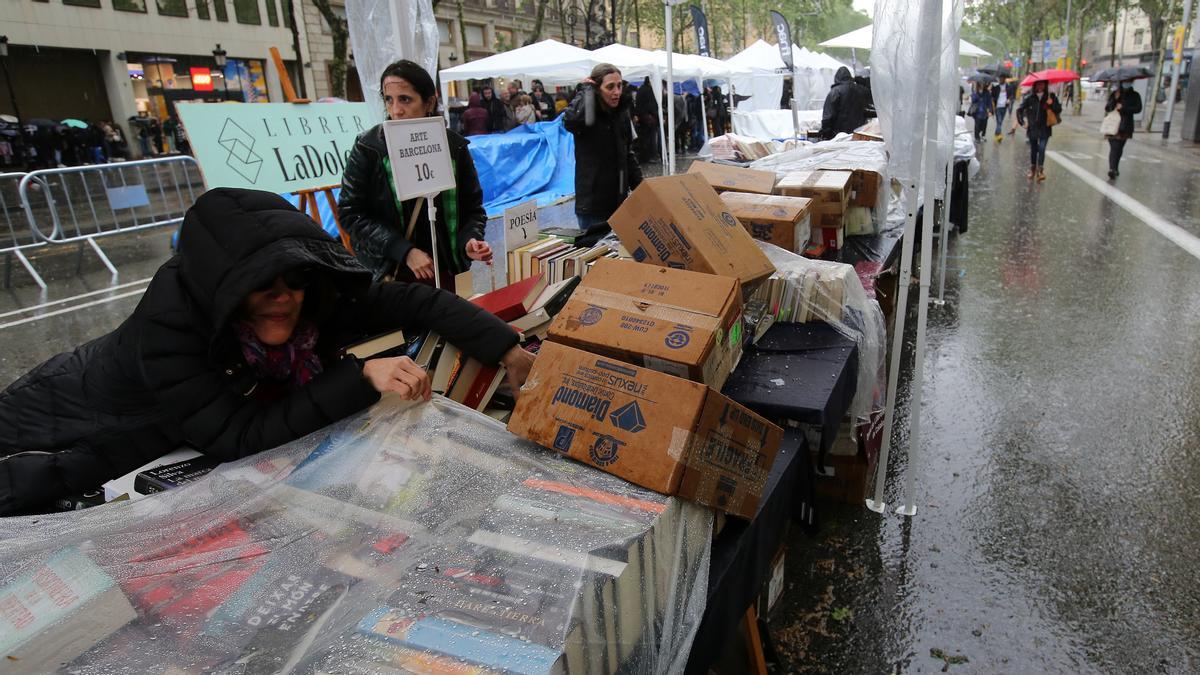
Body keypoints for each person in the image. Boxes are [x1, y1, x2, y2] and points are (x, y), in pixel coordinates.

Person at [0, 188, 534, 516]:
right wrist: (359, 376)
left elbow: (411, 300)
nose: (284, 298)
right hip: (57, 434)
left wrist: (506, 348)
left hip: (167, 442)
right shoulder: (171, 331)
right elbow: (238, 435)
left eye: (295, 278)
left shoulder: (311, 301)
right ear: (221, 290)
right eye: (260, 285)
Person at [339, 60, 492, 290]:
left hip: (447, 273)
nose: (396, 110)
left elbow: (472, 208)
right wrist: (404, 251)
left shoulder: (454, 147)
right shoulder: (368, 148)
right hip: (395, 275)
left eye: (405, 99)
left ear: (429, 102)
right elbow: (351, 214)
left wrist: (469, 241)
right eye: (388, 99)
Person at [563, 63, 642, 229]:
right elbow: (571, 120)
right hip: (593, 207)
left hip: (619, 203)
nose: (617, 92)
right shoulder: (588, 115)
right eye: (610, 87)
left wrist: (642, 189)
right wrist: (587, 90)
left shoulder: (621, 114)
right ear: (597, 88)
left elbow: (627, 154)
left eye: (619, 86)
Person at [1016, 80, 1062, 182]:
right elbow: (1019, 110)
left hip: (1045, 127)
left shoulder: (1051, 97)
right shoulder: (1030, 98)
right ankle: (1032, 169)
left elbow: (1058, 110)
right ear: (1035, 85)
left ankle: (1040, 171)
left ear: (1045, 85)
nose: (1040, 86)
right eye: (1038, 84)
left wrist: (1051, 104)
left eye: (1042, 84)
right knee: (1034, 149)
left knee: (1042, 148)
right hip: (1033, 128)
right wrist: (1022, 122)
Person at [1104, 80, 1142, 179]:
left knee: (1119, 148)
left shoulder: (1135, 95)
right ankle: (1112, 169)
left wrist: (1124, 108)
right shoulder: (1115, 94)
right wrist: (1114, 100)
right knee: (1114, 147)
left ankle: (1115, 168)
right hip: (1112, 124)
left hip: (1125, 125)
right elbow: (1107, 108)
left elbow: (1138, 108)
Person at [819, 67, 868, 140]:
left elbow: (828, 116)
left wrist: (825, 133)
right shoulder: (862, 90)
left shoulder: (835, 92)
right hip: (858, 135)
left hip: (838, 136)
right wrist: (861, 80)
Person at [634, 76, 660, 163]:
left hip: (642, 117)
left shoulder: (641, 89)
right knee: (651, 138)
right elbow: (651, 105)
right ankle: (651, 156)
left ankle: (644, 157)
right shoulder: (649, 90)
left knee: (644, 138)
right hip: (649, 118)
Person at [992, 78, 1011, 143]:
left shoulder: (1008, 87)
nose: (1001, 80)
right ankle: (999, 135)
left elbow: (1011, 95)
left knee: (1000, 122)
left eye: (1002, 79)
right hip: (998, 107)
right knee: (999, 121)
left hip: (1004, 106)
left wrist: (1009, 99)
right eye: (1000, 79)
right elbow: (993, 95)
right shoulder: (996, 87)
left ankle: (996, 134)